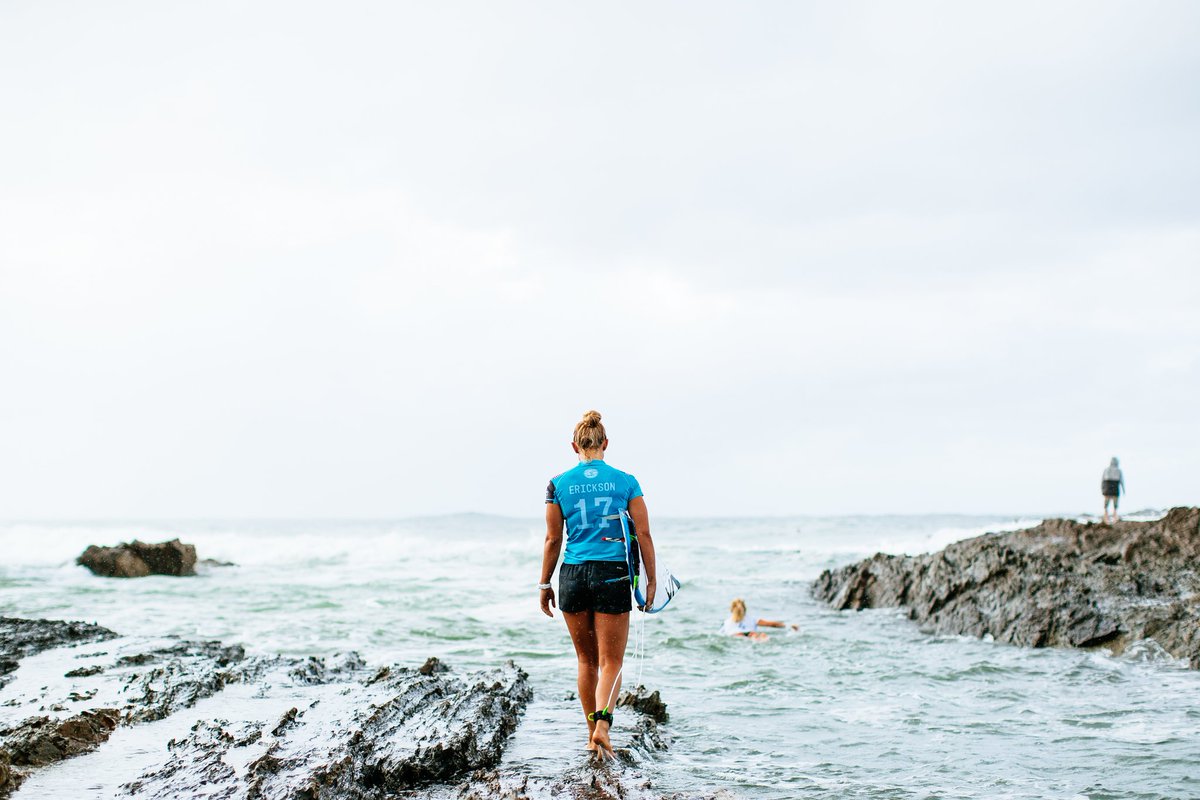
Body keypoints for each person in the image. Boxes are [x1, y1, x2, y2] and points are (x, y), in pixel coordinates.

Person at [539, 410, 656, 760]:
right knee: (611, 662)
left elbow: (552, 539)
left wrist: (544, 583)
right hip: (612, 573)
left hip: (573, 574)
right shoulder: (626, 481)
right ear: (605, 443)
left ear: (574, 446)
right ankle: (604, 726)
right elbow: (644, 533)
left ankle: (592, 735)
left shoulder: (558, 484)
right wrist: (649, 581)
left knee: (586, 662)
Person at [721, 597, 797, 642]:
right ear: (745, 608)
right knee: (763, 636)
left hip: (734, 637)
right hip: (751, 635)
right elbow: (772, 624)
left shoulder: (726, 622)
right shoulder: (752, 619)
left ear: (731, 609)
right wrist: (789, 625)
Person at [1101, 457, 1125, 524]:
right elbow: (1122, 481)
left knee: (1106, 505)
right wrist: (1123, 490)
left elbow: (1102, 480)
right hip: (1114, 488)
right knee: (1115, 506)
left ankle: (1106, 519)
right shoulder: (1118, 470)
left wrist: (1102, 489)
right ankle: (1114, 518)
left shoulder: (1106, 470)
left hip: (1107, 488)